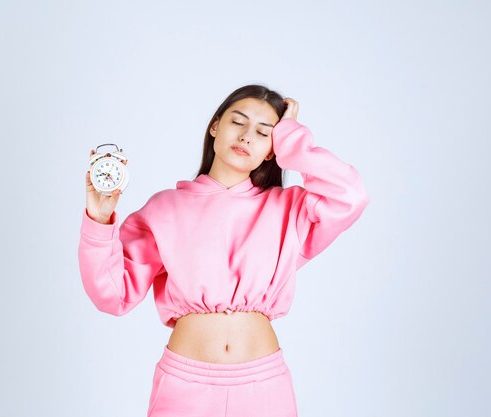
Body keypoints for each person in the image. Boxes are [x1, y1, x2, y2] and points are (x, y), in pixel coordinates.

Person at [78, 84, 370, 417]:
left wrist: (293, 139)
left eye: (264, 132)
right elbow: (113, 295)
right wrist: (99, 221)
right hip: (184, 387)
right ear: (215, 126)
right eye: (238, 122)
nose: (247, 136)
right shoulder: (164, 208)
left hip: (263, 387)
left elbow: (351, 195)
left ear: (273, 150)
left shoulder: (289, 209)